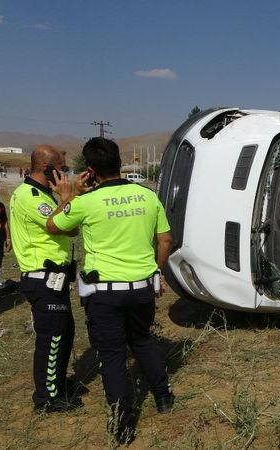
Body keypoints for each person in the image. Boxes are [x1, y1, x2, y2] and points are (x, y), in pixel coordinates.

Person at [47, 137, 173, 444]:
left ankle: (123, 423)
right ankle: (163, 397)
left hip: (104, 293)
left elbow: (53, 226)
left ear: (90, 170)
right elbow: (165, 240)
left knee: (113, 355)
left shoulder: (85, 202)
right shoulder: (147, 196)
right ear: (119, 162)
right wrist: (157, 271)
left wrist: (68, 195)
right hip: (142, 287)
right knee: (142, 340)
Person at [9, 145, 78, 412]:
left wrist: (68, 199)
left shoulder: (45, 195)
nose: (64, 174)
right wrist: (66, 199)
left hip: (56, 278)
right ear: (48, 168)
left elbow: (70, 229)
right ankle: (47, 397)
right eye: (62, 168)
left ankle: (57, 383)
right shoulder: (30, 196)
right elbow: (59, 225)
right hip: (43, 278)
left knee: (65, 333)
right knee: (52, 338)